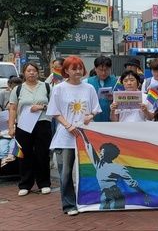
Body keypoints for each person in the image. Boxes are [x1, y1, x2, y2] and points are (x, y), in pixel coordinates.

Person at [46, 56, 101, 216]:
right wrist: (68, 125)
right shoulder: (59, 88)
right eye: (74, 68)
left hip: (85, 136)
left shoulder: (89, 88)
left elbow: (95, 109)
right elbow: (55, 111)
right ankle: (69, 204)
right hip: (65, 137)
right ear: (66, 71)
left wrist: (90, 116)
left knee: (89, 169)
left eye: (80, 68)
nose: (78, 71)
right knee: (66, 172)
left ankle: (89, 200)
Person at [7, 62, 52, 197]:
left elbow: (55, 106)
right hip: (24, 125)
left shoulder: (46, 87)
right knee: (24, 154)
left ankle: (44, 183)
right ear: (24, 73)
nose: (31, 73)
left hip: (42, 123)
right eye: (28, 71)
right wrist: (11, 126)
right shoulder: (18, 89)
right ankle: (25, 184)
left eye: (34, 70)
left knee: (42, 154)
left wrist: (42, 107)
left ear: (38, 72)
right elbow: (13, 108)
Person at [77, 129, 150, 209]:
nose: (100, 153)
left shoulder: (118, 168)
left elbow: (131, 183)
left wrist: (143, 194)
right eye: (100, 151)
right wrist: (82, 131)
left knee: (117, 215)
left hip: (116, 195)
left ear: (108, 153)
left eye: (103, 151)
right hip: (104, 195)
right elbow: (88, 146)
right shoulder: (98, 165)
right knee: (104, 213)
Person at [86, 56, 117, 122]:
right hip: (93, 120)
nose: (103, 73)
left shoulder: (117, 82)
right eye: (101, 70)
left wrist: (114, 98)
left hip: (112, 120)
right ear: (95, 69)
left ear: (110, 69)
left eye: (106, 70)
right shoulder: (87, 82)